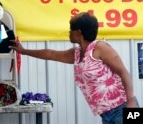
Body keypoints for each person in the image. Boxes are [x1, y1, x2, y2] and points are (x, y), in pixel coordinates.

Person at [10, 12, 139, 124]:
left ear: (79, 33)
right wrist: (24, 51)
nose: (69, 32)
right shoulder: (77, 54)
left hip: (124, 107)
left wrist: (131, 102)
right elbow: (50, 54)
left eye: (71, 29)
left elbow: (123, 72)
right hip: (106, 114)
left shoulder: (100, 48)